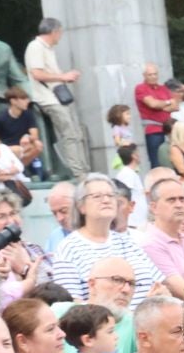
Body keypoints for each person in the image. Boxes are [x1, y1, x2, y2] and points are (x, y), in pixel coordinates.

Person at [51, 174, 165, 299]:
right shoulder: (68, 248)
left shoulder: (129, 242)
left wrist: (160, 293)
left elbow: (159, 284)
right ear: (81, 206)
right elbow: (69, 304)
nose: (106, 200)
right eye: (97, 196)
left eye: (110, 196)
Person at [23, 18, 89, 177]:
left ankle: (83, 168)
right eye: (60, 33)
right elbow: (37, 73)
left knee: (76, 133)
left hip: (58, 97)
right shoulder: (35, 47)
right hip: (47, 99)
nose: (60, 36)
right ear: (54, 32)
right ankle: (78, 172)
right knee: (70, 135)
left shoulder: (48, 49)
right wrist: (63, 76)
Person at [137, 176, 184, 296]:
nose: (179, 205)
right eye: (171, 200)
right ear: (154, 208)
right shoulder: (151, 245)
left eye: (182, 199)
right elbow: (183, 291)